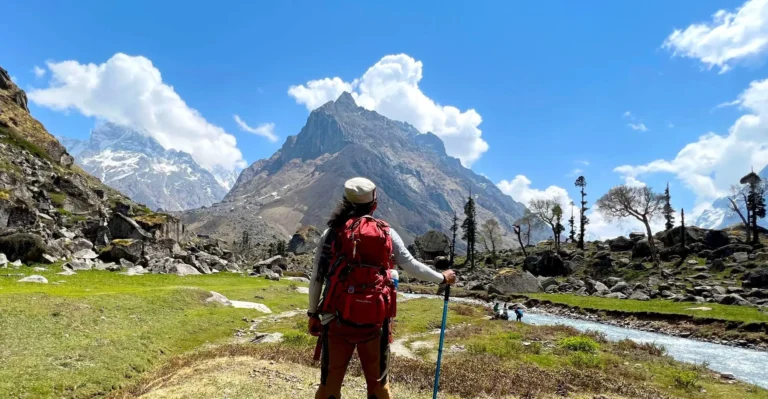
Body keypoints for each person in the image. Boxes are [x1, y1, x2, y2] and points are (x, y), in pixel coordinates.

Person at [308, 177, 457, 399]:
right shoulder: (386, 232)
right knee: (379, 386)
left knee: (329, 386)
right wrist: (442, 278)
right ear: (374, 205)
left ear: (344, 202)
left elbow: (317, 278)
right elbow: (412, 266)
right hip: (375, 321)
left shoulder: (331, 234)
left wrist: (313, 314)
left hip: (335, 318)